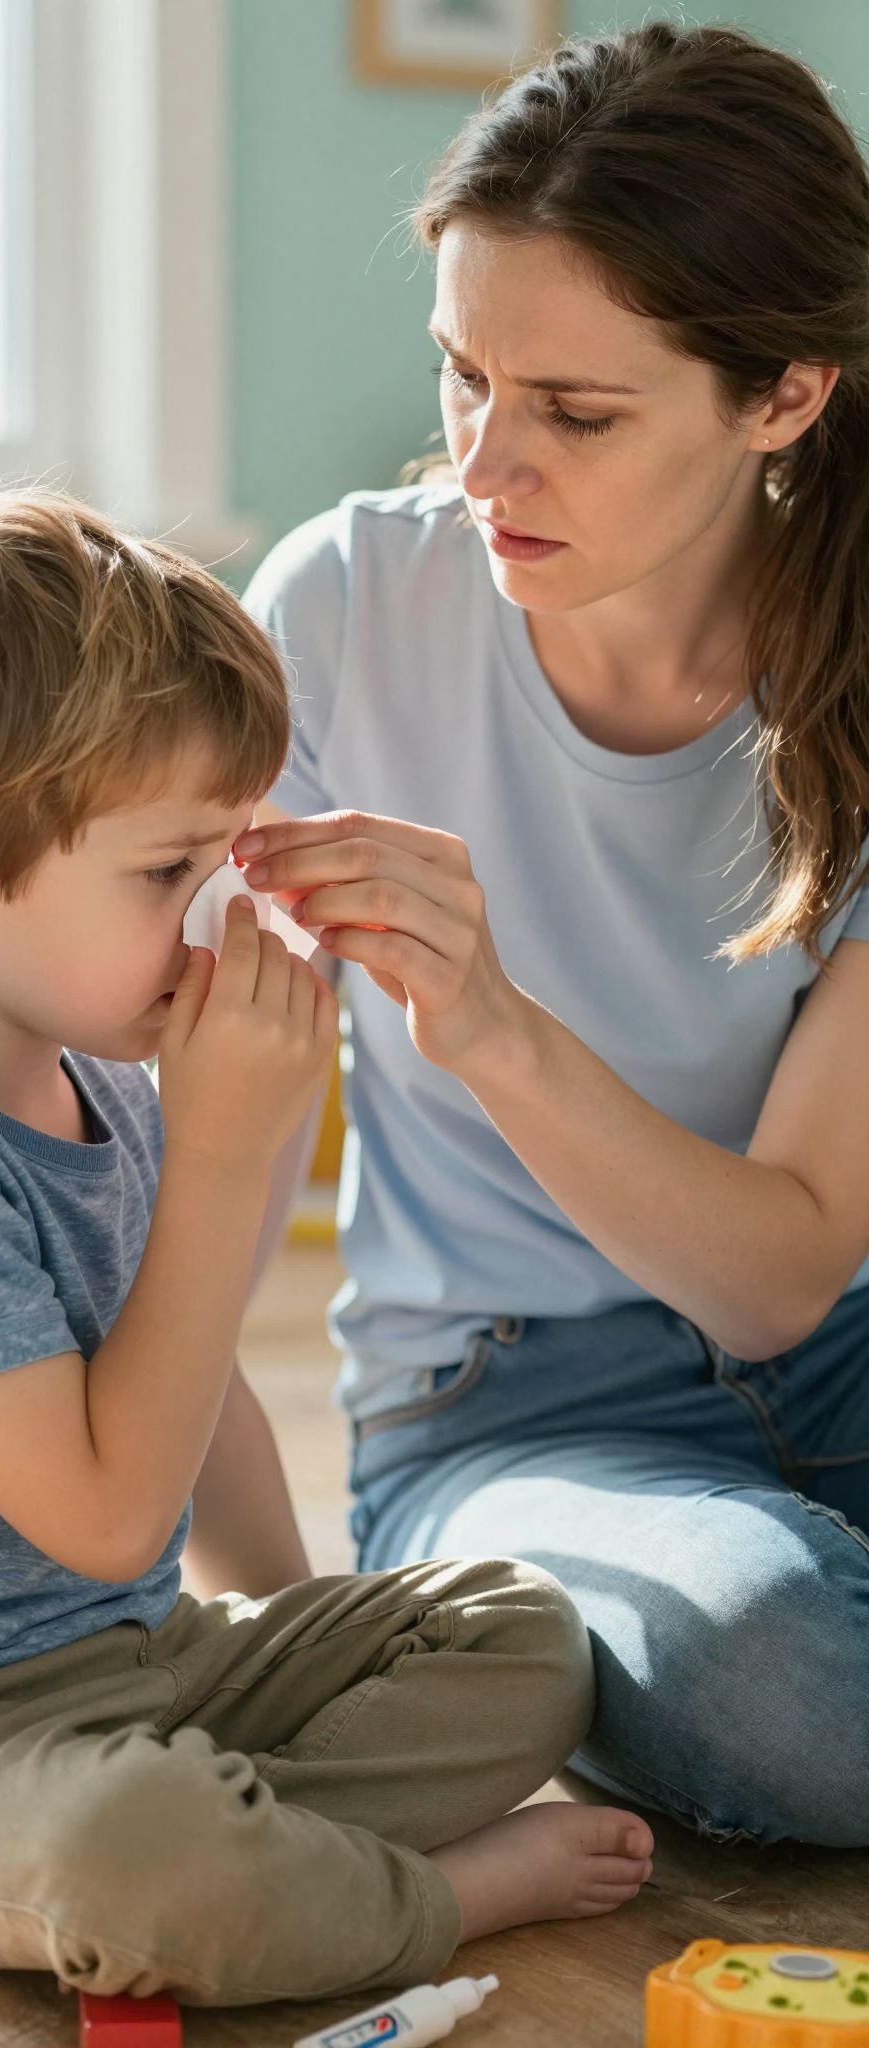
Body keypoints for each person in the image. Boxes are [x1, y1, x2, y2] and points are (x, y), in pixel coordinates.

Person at [0, 489, 654, 2008]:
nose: (217, 914)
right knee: (140, 1847)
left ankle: (269, 1866)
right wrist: (224, 1160)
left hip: (132, 1664)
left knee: (522, 1634)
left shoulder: (104, 1081)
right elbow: (104, 1516)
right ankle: (420, 1898)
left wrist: (295, 1642)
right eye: (167, 874)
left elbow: (195, 1388)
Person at [236, 20, 869, 1851]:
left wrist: (499, 1023)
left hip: (835, 1346)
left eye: (576, 415)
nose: (487, 464)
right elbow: (196, 1164)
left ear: (785, 397)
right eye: (464, 378)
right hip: (509, 1403)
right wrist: (285, 1637)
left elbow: (783, 1274)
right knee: (787, 1678)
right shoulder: (347, 612)